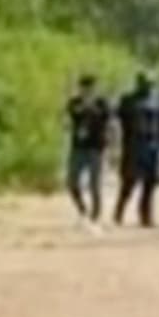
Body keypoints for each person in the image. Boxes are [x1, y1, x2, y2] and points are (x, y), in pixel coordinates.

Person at [113, 71, 159, 227]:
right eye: (145, 84)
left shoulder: (156, 101)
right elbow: (121, 120)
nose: (147, 87)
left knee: (150, 184)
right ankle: (119, 212)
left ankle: (146, 216)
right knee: (129, 182)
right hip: (134, 145)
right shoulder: (128, 100)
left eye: (150, 84)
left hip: (152, 145)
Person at [65, 74, 110, 225]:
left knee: (94, 184)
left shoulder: (102, 103)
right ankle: (82, 209)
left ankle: (95, 214)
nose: (87, 91)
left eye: (90, 88)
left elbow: (105, 118)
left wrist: (92, 108)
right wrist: (84, 107)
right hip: (78, 148)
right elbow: (73, 114)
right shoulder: (74, 102)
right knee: (71, 182)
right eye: (84, 88)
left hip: (95, 148)